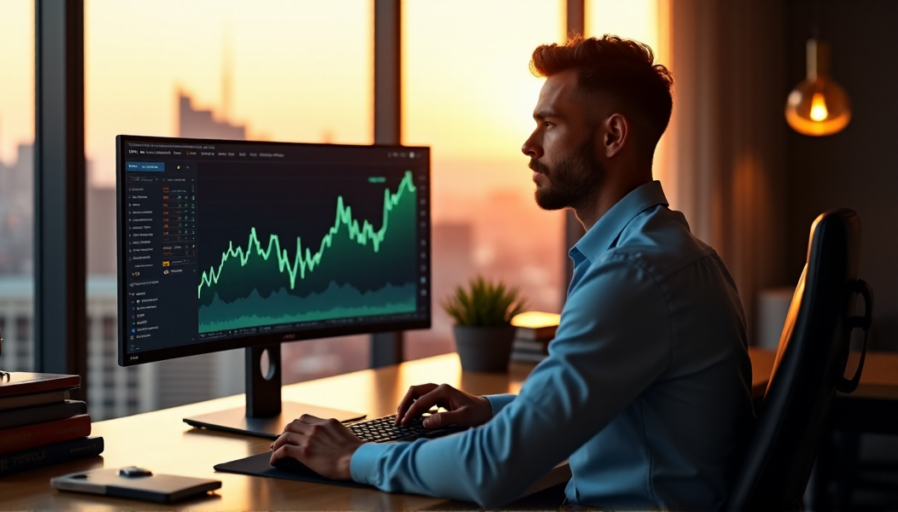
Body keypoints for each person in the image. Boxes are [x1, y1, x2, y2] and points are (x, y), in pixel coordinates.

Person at [269, 35, 755, 510]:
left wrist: (354, 456)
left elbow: (493, 467)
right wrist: (489, 410)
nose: (529, 144)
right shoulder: (679, 253)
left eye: (549, 124)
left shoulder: (631, 275)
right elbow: (609, 400)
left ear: (612, 136)